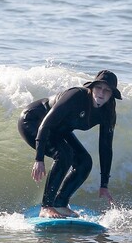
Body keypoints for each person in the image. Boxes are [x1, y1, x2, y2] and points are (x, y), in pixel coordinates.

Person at [18, 70, 122, 218]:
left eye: (107, 90)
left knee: (85, 162)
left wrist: (104, 185)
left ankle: (60, 203)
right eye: (99, 88)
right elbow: (46, 125)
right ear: (91, 88)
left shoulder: (108, 111)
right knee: (64, 154)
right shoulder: (76, 96)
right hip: (33, 122)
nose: (101, 93)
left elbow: (106, 146)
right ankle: (46, 207)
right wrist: (39, 159)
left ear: (112, 94)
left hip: (60, 130)